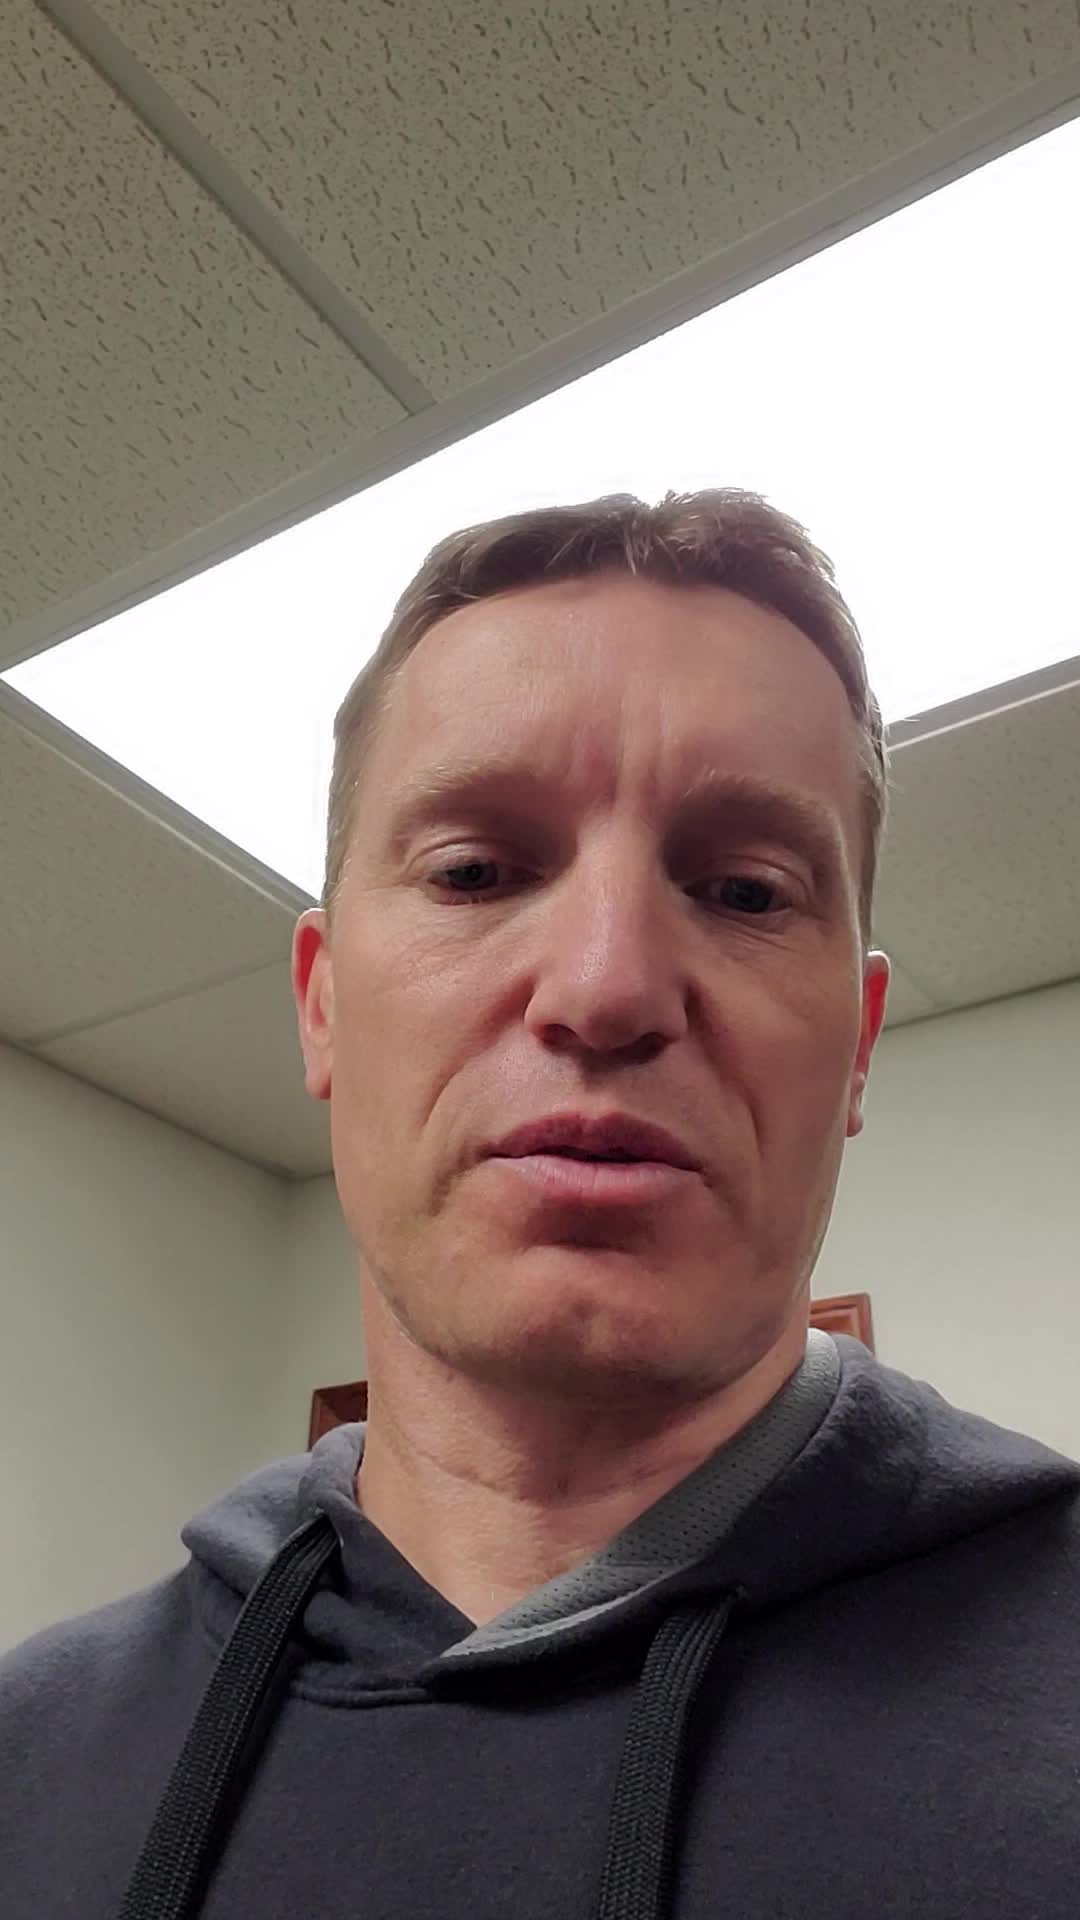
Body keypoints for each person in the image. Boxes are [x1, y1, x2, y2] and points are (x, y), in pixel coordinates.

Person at [2, 490, 1078, 1920]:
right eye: (475, 872)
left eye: (746, 891)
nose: (606, 987)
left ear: (860, 1046)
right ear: (324, 1009)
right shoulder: (28, 1757)